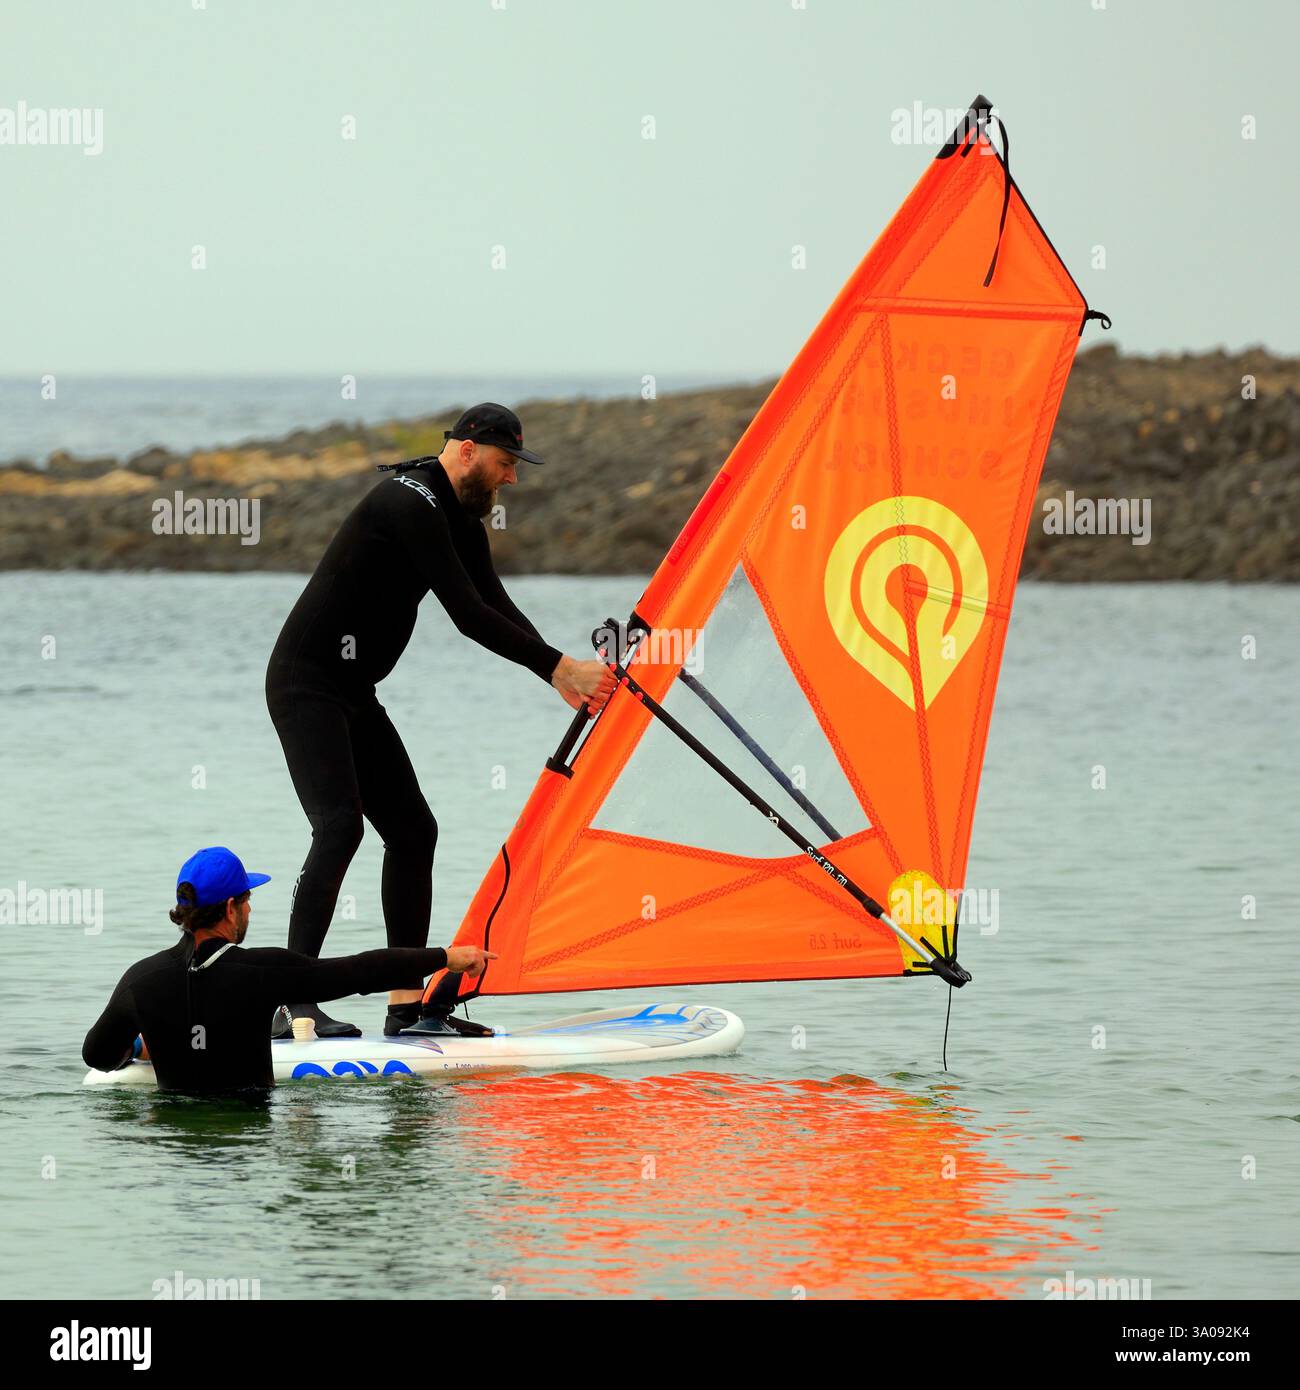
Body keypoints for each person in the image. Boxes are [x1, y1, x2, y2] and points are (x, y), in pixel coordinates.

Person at [265, 403, 614, 1039]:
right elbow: (466, 614)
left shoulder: (457, 520)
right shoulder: (409, 503)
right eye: (506, 464)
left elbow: (495, 602)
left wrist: (559, 675)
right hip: (305, 685)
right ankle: (292, 1002)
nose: (512, 479)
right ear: (467, 450)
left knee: (413, 831)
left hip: (352, 689)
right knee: (340, 828)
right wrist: (561, 667)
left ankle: (405, 1008)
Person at [81, 847, 494, 1092]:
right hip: (248, 1143)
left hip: (179, 1154)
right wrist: (446, 956)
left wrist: (139, 1048)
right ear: (230, 908)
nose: (249, 908)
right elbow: (359, 971)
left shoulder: (141, 979)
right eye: (246, 900)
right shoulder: (262, 970)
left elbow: (96, 1054)